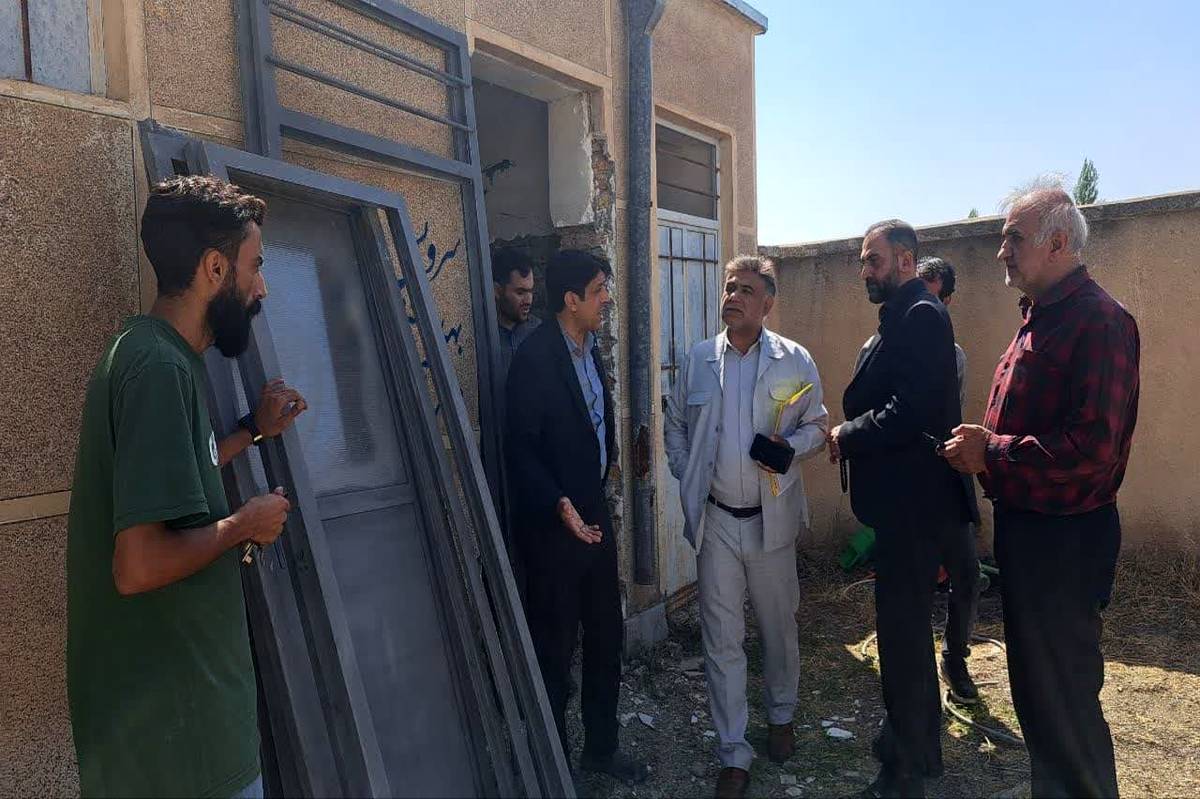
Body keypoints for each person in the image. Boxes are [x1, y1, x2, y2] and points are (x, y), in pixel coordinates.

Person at [67, 176, 308, 798]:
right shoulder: (157, 369)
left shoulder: (155, 354)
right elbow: (138, 566)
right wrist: (244, 525)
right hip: (180, 752)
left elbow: (181, 468)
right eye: (255, 267)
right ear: (214, 268)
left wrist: (252, 431)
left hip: (176, 734)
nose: (261, 288)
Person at [943, 181, 1139, 798]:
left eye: (1013, 238)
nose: (1001, 251)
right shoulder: (1040, 318)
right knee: (1038, 697)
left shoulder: (1099, 322)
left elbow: (1092, 450)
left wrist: (991, 451)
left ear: (1057, 243)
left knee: (1064, 703)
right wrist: (985, 445)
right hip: (1032, 535)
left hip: (1066, 542)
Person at [664, 255, 828, 799]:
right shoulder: (698, 359)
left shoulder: (793, 360)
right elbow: (675, 424)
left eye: (746, 290)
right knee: (721, 639)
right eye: (729, 287)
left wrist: (791, 447)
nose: (733, 296)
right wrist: (685, 470)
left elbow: (819, 424)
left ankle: (781, 715)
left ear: (767, 303)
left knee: (778, 629)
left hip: (770, 521)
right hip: (716, 521)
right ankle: (733, 751)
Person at [828, 220, 978, 798]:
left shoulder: (920, 315)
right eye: (863, 261)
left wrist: (848, 434)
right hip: (905, 508)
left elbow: (909, 412)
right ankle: (917, 751)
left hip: (914, 508)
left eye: (874, 260)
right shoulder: (903, 315)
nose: (864, 270)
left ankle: (904, 772)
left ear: (907, 261)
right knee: (905, 635)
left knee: (903, 640)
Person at [505, 249, 647, 785]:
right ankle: (553, 767)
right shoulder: (534, 358)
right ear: (571, 299)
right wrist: (557, 502)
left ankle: (601, 750)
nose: (607, 299)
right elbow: (520, 448)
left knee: (607, 637)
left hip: (593, 517)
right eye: (598, 290)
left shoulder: (591, 350)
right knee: (555, 648)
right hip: (552, 527)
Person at [914, 256, 981, 705]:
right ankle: (915, 676)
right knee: (913, 582)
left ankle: (954, 659)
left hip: (946, 475)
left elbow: (945, 419)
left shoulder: (954, 356)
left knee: (968, 575)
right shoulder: (875, 349)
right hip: (904, 487)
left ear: (949, 302)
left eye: (934, 299)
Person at [493, 247, 542, 385]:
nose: (528, 300)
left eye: (530, 291)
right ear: (497, 291)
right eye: (520, 293)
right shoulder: (482, 337)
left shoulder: (539, 332)